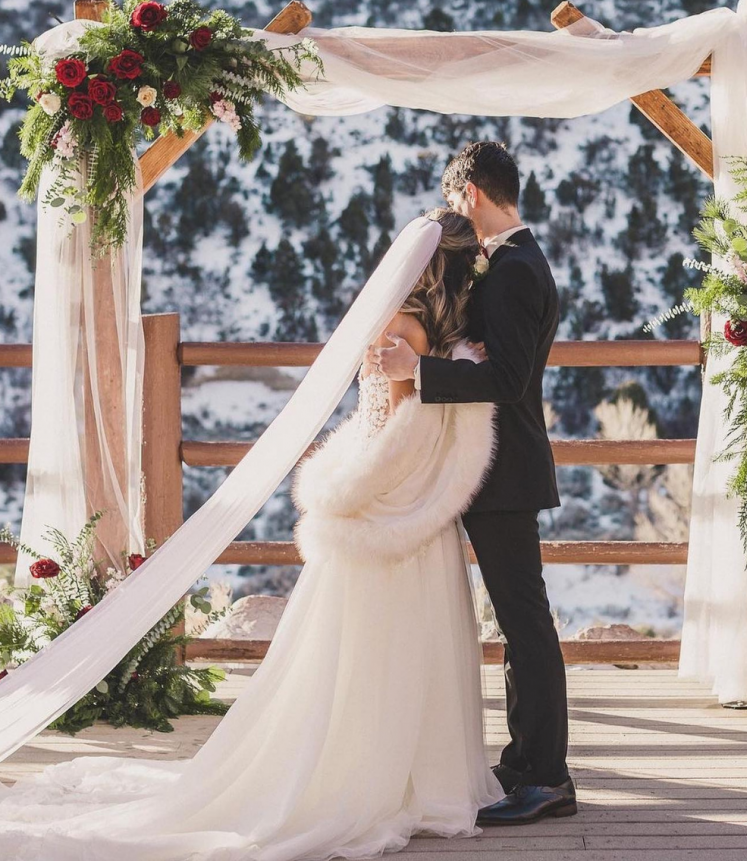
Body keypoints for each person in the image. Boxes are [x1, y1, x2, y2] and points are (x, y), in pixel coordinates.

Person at [0, 209, 508, 861]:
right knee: (393, 659)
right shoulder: (411, 333)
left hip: (395, 517)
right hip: (399, 521)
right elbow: (393, 440)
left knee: (366, 662)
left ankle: (391, 772)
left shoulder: (419, 333)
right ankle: (397, 778)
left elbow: (387, 431)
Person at [370, 141, 574, 825]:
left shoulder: (514, 268)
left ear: (472, 195)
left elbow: (509, 379)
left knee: (525, 624)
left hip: (505, 470)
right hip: (497, 467)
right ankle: (524, 764)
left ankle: (546, 776)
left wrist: (418, 370)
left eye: (456, 202)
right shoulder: (516, 262)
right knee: (520, 624)